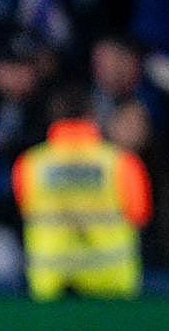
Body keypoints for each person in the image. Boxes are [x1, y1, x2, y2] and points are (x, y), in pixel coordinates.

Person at [12, 107, 152, 300]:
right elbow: (140, 216)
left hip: (51, 287)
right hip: (112, 286)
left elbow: (24, 211)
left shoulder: (29, 163)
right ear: (92, 117)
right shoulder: (122, 162)